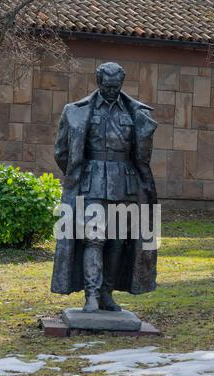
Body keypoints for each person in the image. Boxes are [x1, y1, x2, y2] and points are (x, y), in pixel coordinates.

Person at [51, 62, 158, 313]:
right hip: (92, 183)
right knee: (94, 240)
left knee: (118, 241)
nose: (111, 91)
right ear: (98, 83)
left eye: (116, 86)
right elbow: (62, 152)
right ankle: (91, 294)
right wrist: (81, 173)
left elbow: (141, 155)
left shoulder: (136, 112)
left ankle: (106, 293)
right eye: (107, 86)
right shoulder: (76, 111)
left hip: (125, 185)